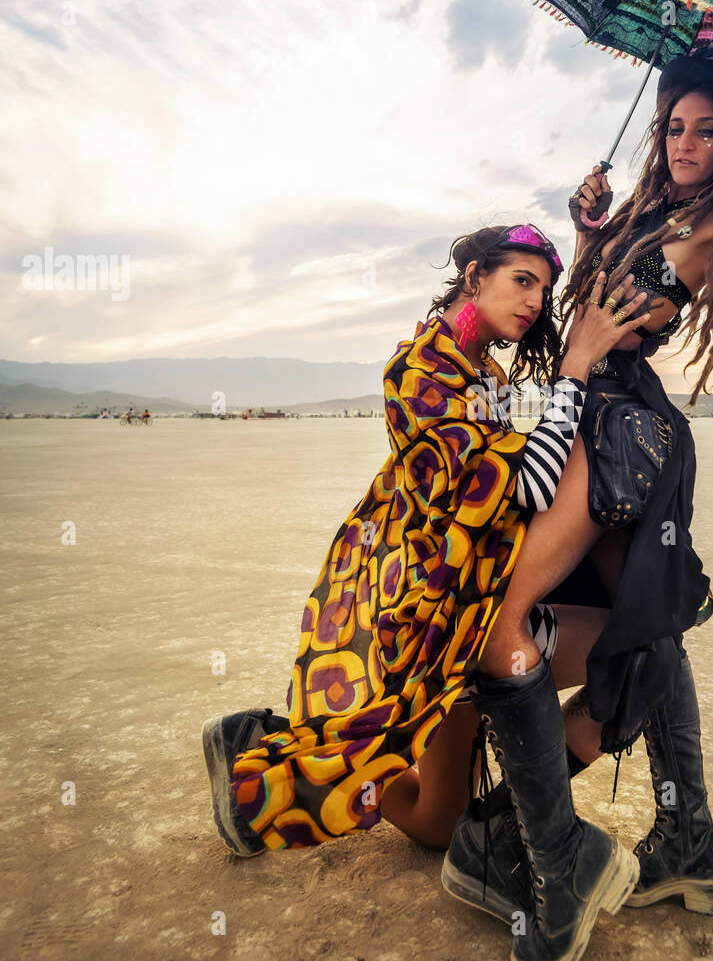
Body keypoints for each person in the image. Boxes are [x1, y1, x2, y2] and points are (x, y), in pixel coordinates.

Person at [440, 39, 713, 961]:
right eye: (673, 126)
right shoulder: (643, 210)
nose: (684, 142)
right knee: (649, 633)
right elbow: (588, 318)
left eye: (705, 130)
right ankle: (690, 845)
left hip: (621, 438)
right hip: (592, 418)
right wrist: (588, 227)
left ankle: (548, 858)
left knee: (504, 616)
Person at [201, 226, 653, 917]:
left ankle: (261, 744)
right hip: (431, 615)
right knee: (621, 656)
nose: (535, 300)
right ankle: (254, 781)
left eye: (544, 287)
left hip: (479, 599)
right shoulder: (418, 370)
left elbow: (525, 485)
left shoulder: (487, 374)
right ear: (474, 276)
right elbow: (527, 486)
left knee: (439, 826)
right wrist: (574, 372)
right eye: (520, 280)